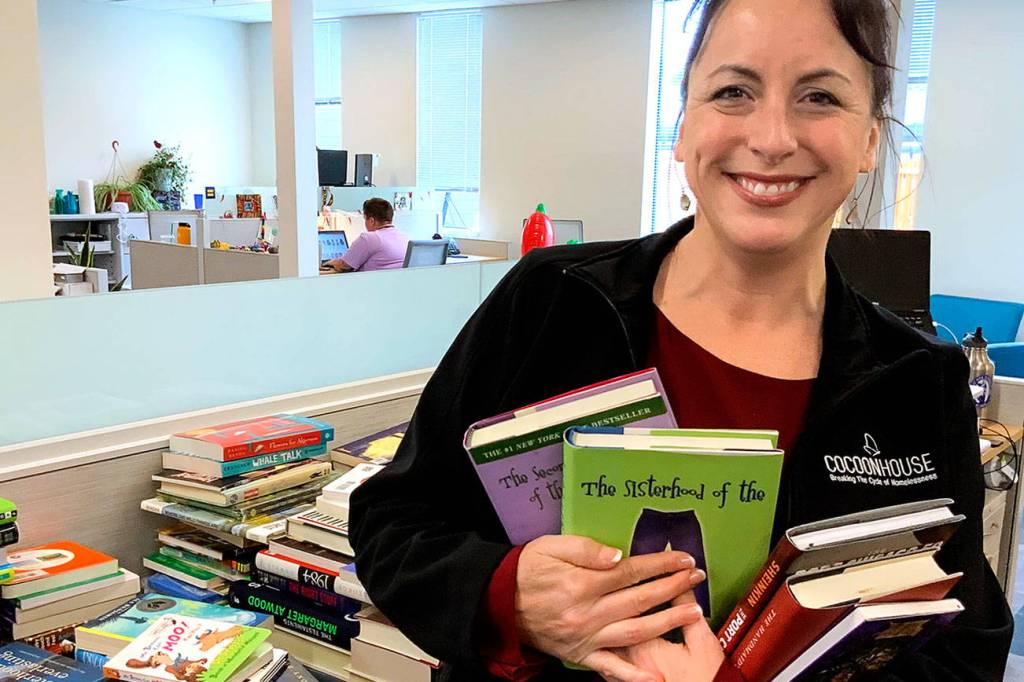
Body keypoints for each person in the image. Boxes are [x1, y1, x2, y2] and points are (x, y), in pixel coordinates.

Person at [350, 0, 1013, 680]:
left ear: (870, 138)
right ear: (683, 126)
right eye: (733, 92)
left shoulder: (916, 379)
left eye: (819, 96)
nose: (772, 138)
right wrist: (508, 594)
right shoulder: (553, 300)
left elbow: (965, 650)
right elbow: (392, 523)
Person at [321, 198, 409, 273]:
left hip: (370, 285)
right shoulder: (404, 237)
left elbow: (344, 265)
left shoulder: (369, 238)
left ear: (371, 221)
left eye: (365, 219)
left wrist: (328, 263)